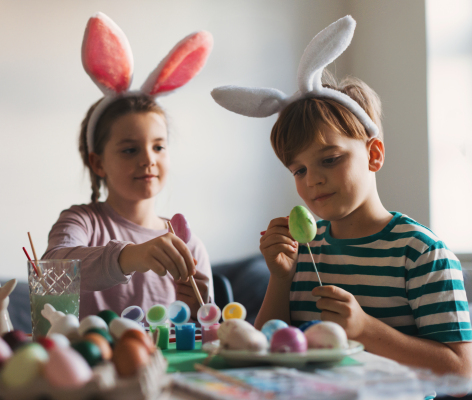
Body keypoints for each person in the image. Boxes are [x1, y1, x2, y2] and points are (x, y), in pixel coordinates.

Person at [212, 16, 472, 376]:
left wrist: (366, 329)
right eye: (298, 170)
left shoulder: (421, 253)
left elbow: (462, 371)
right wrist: (281, 277)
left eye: (330, 159)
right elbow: (265, 355)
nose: (313, 180)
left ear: (374, 154)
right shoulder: (304, 252)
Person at [43, 13, 214, 320]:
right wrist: (131, 255)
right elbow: (53, 272)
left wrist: (199, 311)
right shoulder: (81, 222)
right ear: (98, 162)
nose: (148, 158)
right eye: (130, 149)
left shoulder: (189, 245)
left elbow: (206, 330)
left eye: (158, 146)